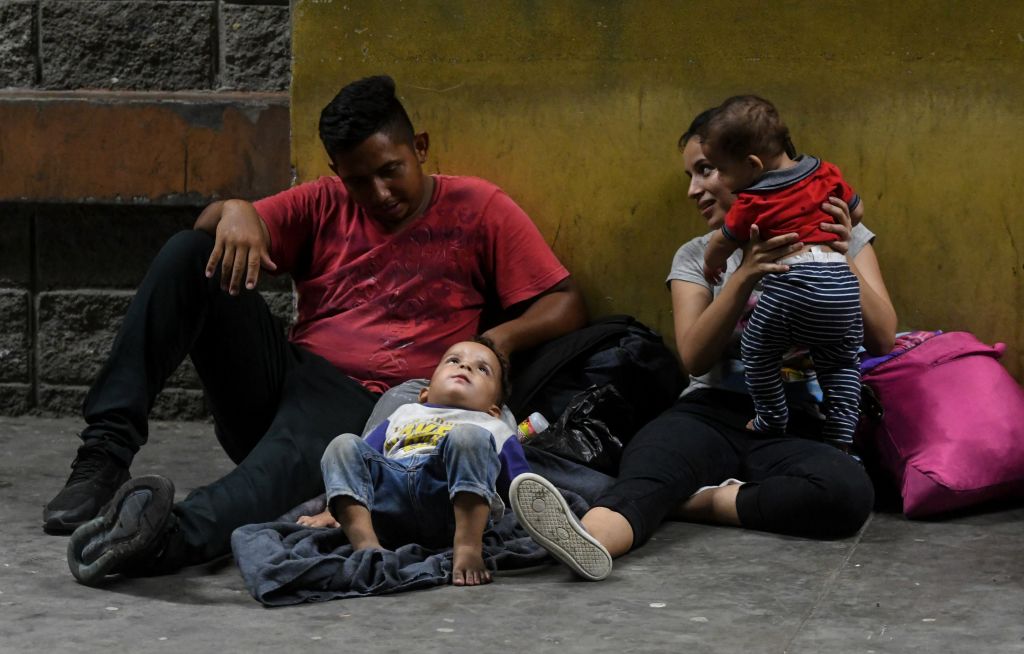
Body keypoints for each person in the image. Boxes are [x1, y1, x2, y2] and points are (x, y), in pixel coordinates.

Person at [56, 74, 587, 585]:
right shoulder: (322, 201)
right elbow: (219, 232)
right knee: (191, 252)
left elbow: (564, 304)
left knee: (283, 465)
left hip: (368, 408)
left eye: (390, 170)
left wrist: (496, 342)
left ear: (420, 147)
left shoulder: (479, 208)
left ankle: (164, 536)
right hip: (288, 384)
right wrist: (233, 210)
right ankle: (103, 457)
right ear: (336, 171)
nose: (378, 192)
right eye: (358, 180)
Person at [511, 107, 897, 581]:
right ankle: (590, 540)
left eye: (706, 170)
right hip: (709, 413)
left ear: (750, 168)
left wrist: (839, 254)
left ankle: (702, 501)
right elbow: (694, 355)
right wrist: (743, 275)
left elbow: (882, 336)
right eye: (690, 174)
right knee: (647, 470)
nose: (693, 189)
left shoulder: (841, 229)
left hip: (797, 425)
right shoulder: (698, 254)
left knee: (847, 492)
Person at [700, 95, 865, 448]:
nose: (720, 181)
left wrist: (711, 264)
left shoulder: (753, 200)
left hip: (796, 285)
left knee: (757, 348)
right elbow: (858, 209)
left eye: (721, 170)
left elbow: (722, 242)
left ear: (752, 164)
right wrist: (839, 228)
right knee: (841, 365)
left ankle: (771, 417)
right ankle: (841, 438)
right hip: (842, 284)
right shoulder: (827, 172)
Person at [296, 337, 527, 586]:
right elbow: (360, 461)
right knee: (343, 444)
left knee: (468, 437)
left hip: (447, 502)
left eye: (482, 369)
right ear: (424, 394)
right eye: (454, 360)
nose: (465, 367)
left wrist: (536, 514)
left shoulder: (492, 426)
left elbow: (523, 486)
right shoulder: (404, 413)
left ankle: (468, 548)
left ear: (493, 409)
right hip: (387, 505)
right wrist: (331, 511)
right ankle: (368, 548)